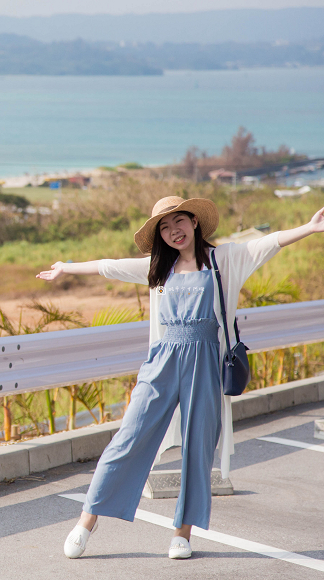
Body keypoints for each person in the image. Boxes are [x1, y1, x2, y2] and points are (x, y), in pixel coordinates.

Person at [36, 195, 324, 560]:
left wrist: (310, 228)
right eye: (165, 228)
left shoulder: (224, 260)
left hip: (205, 362)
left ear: (194, 222)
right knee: (128, 437)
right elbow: (110, 266)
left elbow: (267, 243)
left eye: (179, 223)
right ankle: (86, 521)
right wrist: (67, 267)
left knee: (197, 445)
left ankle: (182, 534)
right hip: (163, 360)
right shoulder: (158, 268)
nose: (174, 232)